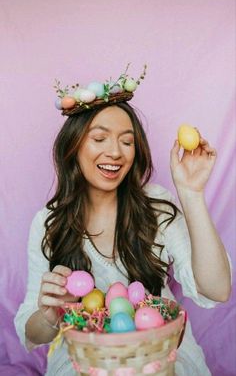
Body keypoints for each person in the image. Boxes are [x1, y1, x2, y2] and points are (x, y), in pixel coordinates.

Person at [14, 70, 231, 376]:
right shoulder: (48, 223)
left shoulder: (155, 206)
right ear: (73, 147)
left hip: (160, 357)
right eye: (99, 138)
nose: (115, 152)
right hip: (85, 362)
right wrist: (49, 315)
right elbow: (32, 334)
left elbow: (217, 289)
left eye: (126, 141)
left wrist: (192, 193)